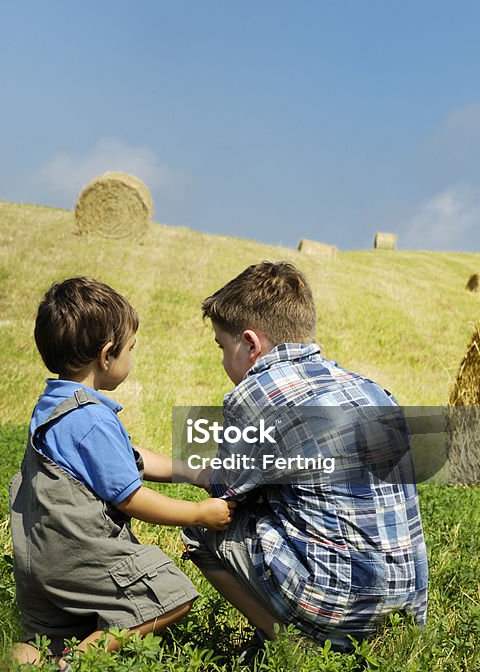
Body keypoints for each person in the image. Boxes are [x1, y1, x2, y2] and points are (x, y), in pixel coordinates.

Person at [181, 261, 428, 651]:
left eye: (222, 347)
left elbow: (224, 487)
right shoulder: (371, 389)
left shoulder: (257, 393)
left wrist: (167, 470)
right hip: (403, 611)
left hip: (339, 606)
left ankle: (288, 644)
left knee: (200, 527)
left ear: (250, 344)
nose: (224, 361)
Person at [10, 276, 235, 668]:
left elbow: (131, 459)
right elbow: (130, 497)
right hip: (76, 555)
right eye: (131, 348)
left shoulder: (56, 406)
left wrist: (194, 472)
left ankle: (32, 658)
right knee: (170, 594)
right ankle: (77, 663)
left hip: (38, 559)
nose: (132, 355)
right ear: (107, 354)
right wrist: (198, 514)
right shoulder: (92, 420)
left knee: (45, 640)